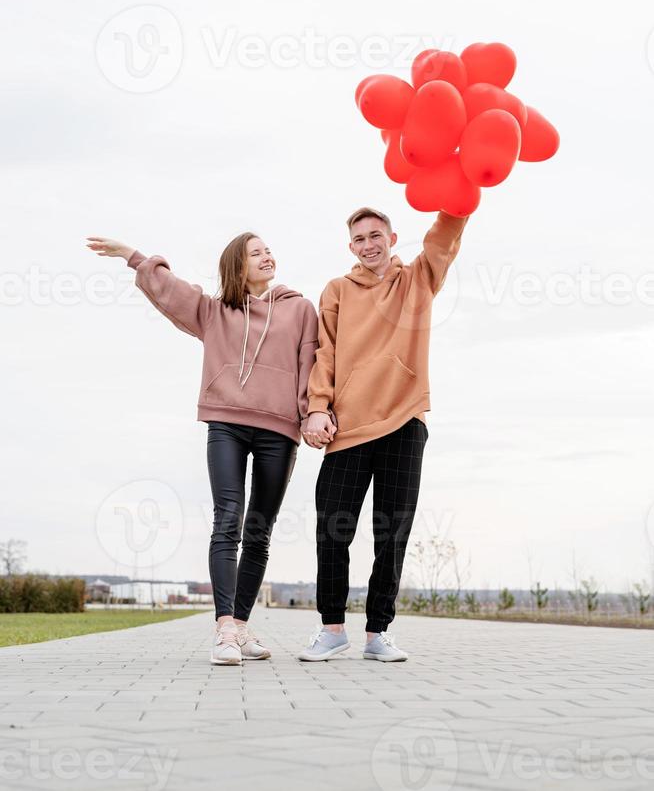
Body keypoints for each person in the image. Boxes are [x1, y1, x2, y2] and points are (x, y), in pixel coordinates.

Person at [86, 232, 319, 666]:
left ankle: (244, 627)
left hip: (279, 429)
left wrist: (309, 416)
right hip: (226, 423)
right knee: (227, 518)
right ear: (237, 265)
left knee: (260, 530)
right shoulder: (215, 311)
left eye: (269, 249)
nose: (268, 255)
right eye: (256, 252)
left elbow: (311, 364)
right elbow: (172, 291)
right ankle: (225, 628)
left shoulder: (301, 309)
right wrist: (133, 256)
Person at [297, 207, 468, 662]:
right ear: (350, 246)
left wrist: (459, 201)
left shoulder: (417, 281)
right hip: (348, 427)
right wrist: (317, 408)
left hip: (404, 422)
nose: (368, 244)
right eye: (359, 239)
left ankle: (378, 634)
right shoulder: (336, 290)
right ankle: (332, 629)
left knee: (391, 532)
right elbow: (324, 353)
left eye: (376, 235)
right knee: (333, 529)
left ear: (392, 237)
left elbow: (442, 240)